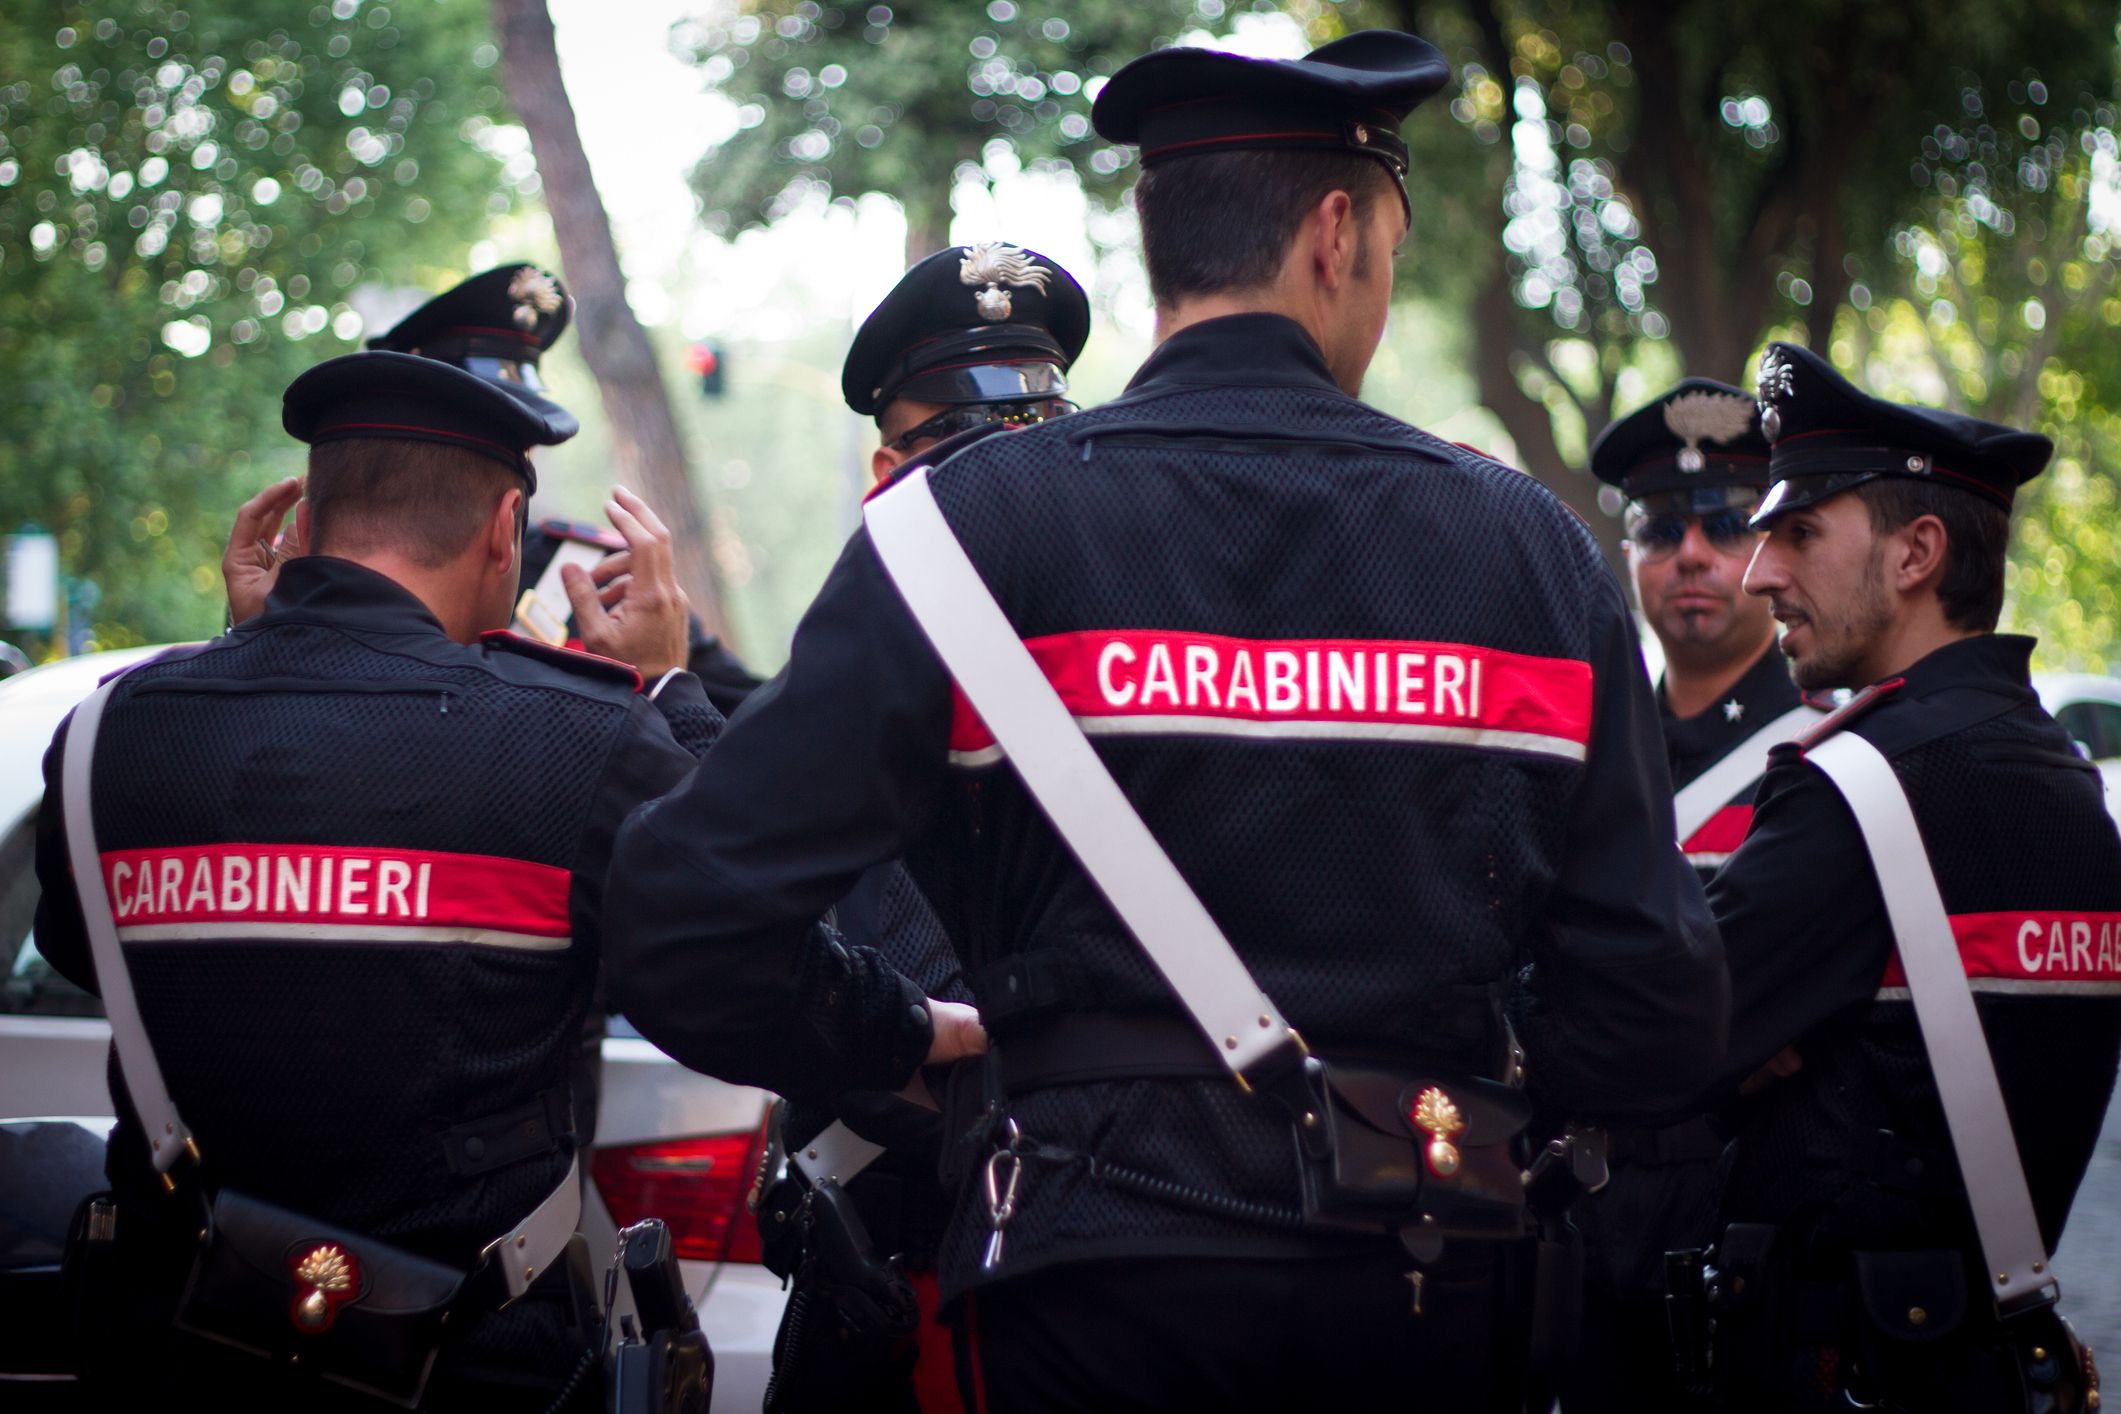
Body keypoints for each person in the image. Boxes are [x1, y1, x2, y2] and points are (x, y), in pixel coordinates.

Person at [604, 29, 1724, 1410]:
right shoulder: (1529, 556)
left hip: (1082, 1270)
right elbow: (1659, 1005)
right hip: (1426, 1268)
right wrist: (1457, 1081)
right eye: (1388, 240)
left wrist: (898, 1036)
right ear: (1334, 233)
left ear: (1162, 247)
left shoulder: (961, 535)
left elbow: (682, 914)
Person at [34, 335, 720, 1410]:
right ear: (505, 530)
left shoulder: (106, 736)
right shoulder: (582, 741)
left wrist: (244, 654)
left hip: (174, 1348)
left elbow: (88, 950)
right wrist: (673, 683)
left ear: (302, 528)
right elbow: (740, 924)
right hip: (475, 1364)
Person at [1694, 341, 2121, 1411]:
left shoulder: (1857, 789)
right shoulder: (2066, 782)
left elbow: (1651, 1031)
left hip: (1832, 1368)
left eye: (1799, 533)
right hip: (1987, 1350)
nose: (1761, 572)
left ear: (1917, 551)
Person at [754, 242, 1091, 1414]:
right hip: (893, 1301)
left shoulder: (1144, 688)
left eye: (1038, 431)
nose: (1004, 473)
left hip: (1101, 1293)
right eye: (959, 440)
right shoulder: (834, 710)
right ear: (887, 476)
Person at [1565, 380, 1826, 1409]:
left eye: (1725, 524)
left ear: (1767, 551)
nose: (1690, 554)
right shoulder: (1578, 734)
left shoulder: (1829, 748)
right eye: (1659, 527)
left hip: (1748, 1214)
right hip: (1585, 1212)